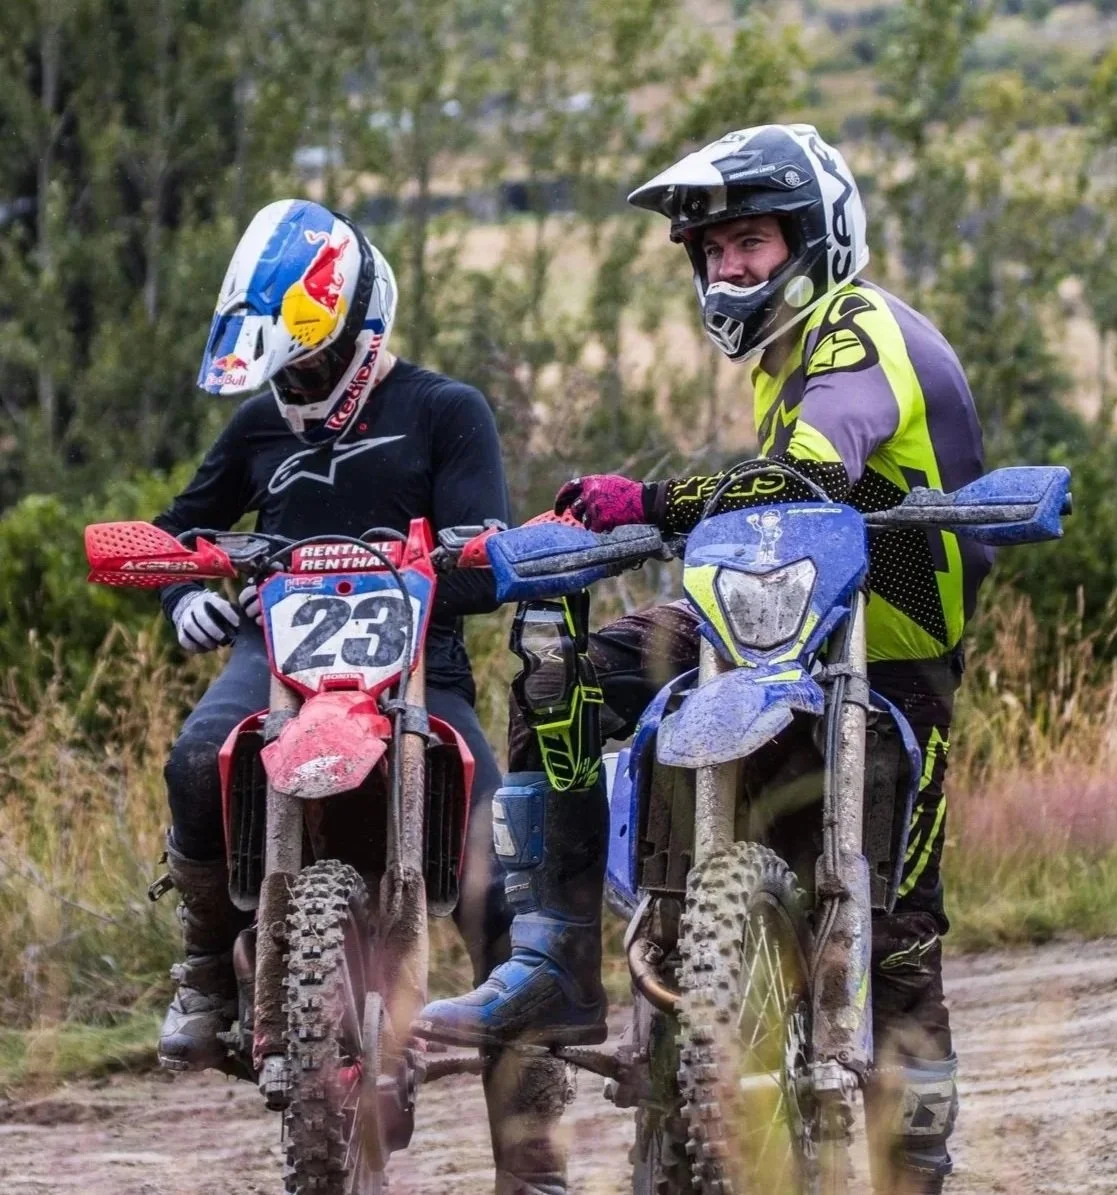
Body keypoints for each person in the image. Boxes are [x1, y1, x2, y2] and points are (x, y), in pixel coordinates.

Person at [416, 123, 984, 1192]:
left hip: (890, 653)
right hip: (766, 625)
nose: (728, 267)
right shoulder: (784, 353)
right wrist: (497, 556)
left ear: (814, 238)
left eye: (752, 242)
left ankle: (915, 1163)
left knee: (896, 929)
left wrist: (658, 500)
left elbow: (809, 475)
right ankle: (552, 951)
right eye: (713, 250)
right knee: (561, 673)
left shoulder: (861, 335)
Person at [154, 200, 566, 1193]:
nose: (294, 380)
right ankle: (209, 973)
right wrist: (182, 597)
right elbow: (179, 530)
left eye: (309, 359)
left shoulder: (444, 409)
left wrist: (425, 561)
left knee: (507, 876)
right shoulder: (259, 424)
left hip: (421, 668)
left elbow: (484, 556)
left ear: (359, 326)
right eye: (283, 365)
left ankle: (535, 1167)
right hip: (278, 657)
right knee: (194, 755)